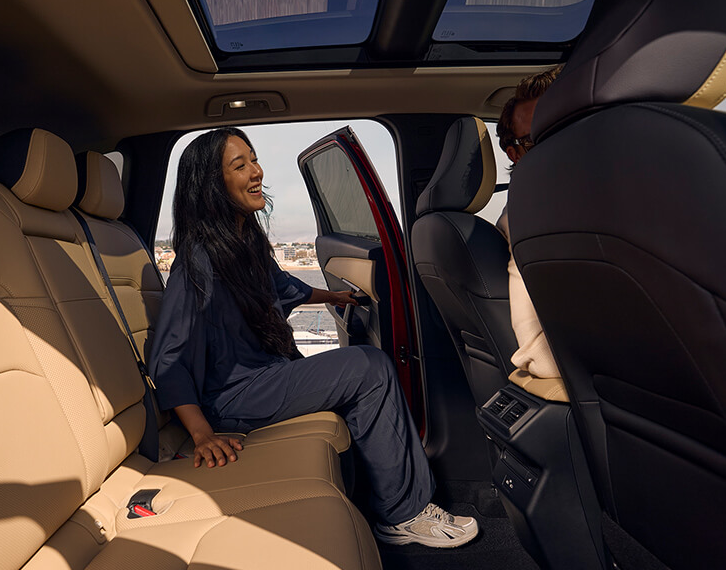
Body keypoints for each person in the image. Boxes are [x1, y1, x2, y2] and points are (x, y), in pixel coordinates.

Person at [149, 127, 479, 548]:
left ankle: (385, 494)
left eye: (254, 159)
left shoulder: (242, 241)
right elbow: (170, 355)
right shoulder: (198, 258)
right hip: (234, 396)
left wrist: (335, 295)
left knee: (360, 368)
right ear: (213, 185)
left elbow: (281, 286)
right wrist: (201, 433)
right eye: (240, 165)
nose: (257, 171)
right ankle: (403, 514)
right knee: (370, 367)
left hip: (264, 377)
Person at [495, 67, 564, 385]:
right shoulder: (528, 214)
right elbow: (542, 355)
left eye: (564, 129)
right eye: (537, 141)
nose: (556, 148)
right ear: (515, 154)